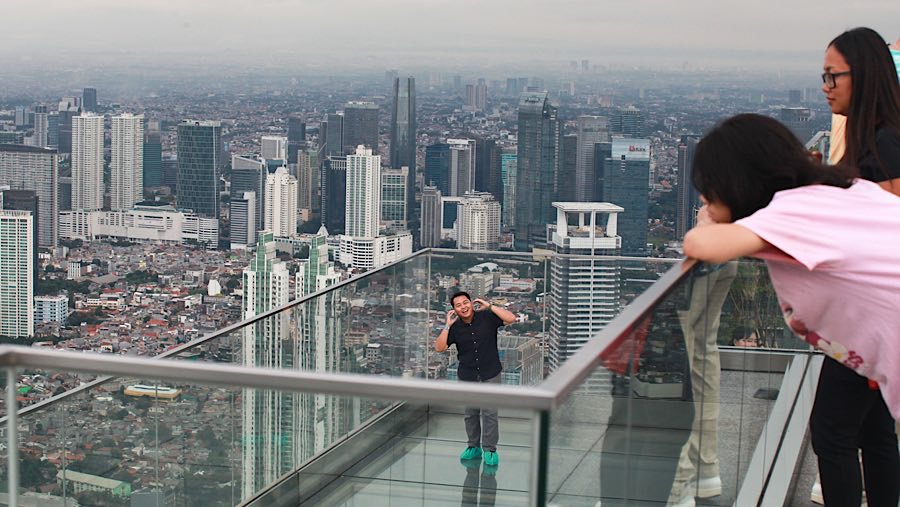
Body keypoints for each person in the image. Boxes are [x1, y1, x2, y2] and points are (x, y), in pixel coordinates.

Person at [683, 112, 900, 507]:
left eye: (709, 189)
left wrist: (704, 224)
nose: (704, 199)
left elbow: (702, 247)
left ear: (737, 182)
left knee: (838, 434)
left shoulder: (789, 212)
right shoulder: (843, 188)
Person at [435, 291, 517, 467]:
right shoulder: (455, 327)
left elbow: (511, 319)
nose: (463, 307)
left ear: (472, 303)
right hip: (468, 375)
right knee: (470, 413)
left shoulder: (487, 317)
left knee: (490, 413)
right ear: (454, 310)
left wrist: (490, 306)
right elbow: (439, 348)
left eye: (466, 303)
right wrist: (447, 325)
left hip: (490, 371)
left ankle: (490, 450)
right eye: (458, 305)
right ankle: (473, 446)